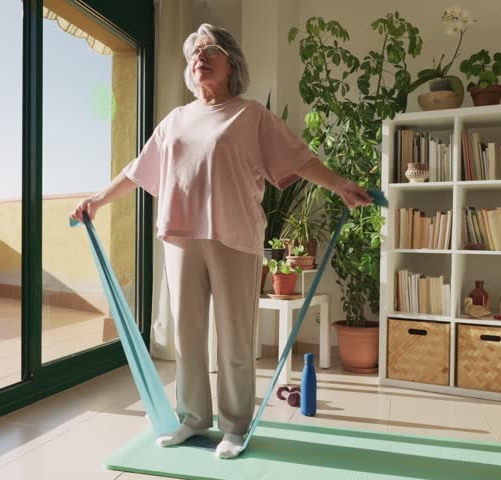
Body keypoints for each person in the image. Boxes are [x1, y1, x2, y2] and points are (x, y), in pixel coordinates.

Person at [70, 23, 372, 459]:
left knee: (234, 339)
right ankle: (192, 420)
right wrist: (97, 199)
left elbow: (298, 158)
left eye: (210, 50)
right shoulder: (175, 119)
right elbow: (138, 169)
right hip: (180, 237)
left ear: (233, 63)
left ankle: (235, 426)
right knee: (187, 336)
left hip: (235, 237)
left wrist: (340, 184)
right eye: (194, 53)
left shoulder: (251, 115)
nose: (200, 57)